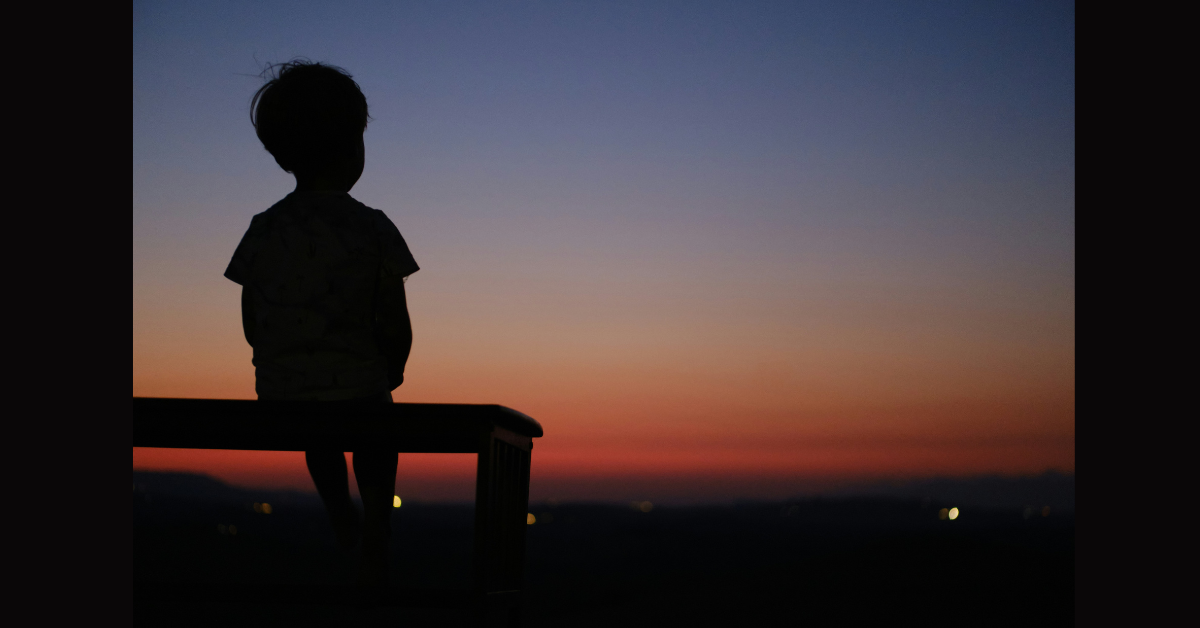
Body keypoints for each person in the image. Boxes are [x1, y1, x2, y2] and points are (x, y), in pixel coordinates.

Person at [223, 60, 417, 586]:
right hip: (359, 385)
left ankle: (337, 507)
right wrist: (393, 366)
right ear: (354, 147)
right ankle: (377, 525)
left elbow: (250, 317)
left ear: (282, 153)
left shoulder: (265, 228)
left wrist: (281, 360)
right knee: (377, 430)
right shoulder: (372, 227)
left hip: (285, 389)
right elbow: (393, 315)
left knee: (319, 432)